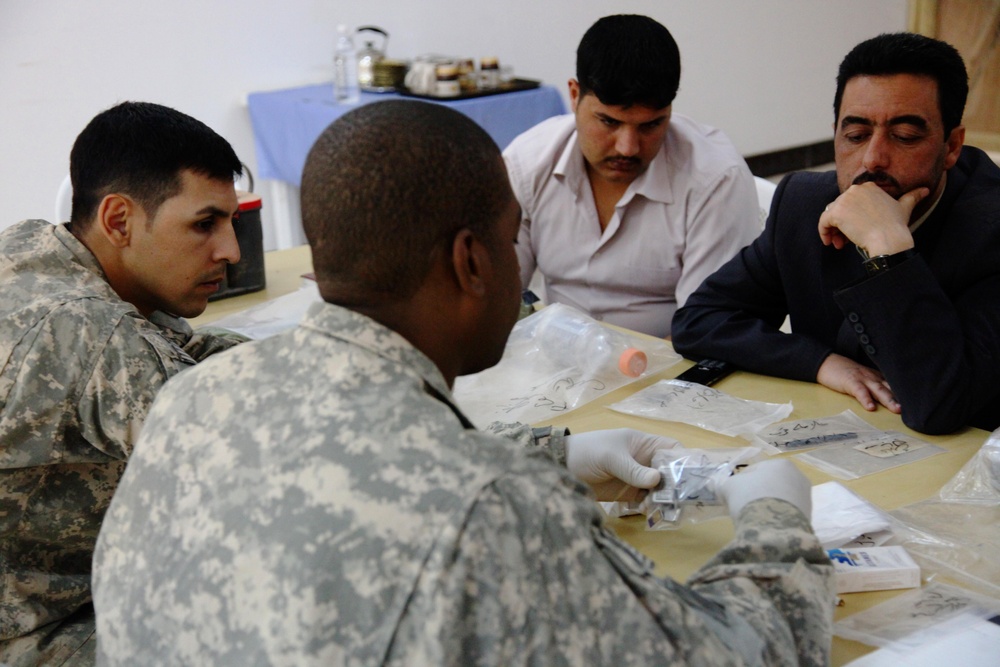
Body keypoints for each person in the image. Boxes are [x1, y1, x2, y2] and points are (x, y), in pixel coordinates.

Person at [92, 100, 832, 665]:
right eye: (513, 239)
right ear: (472, 260)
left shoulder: (192, 394)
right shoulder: (492, 509)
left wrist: (548, 453)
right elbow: (729, 652)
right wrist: (778, 521)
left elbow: (358, 453)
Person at [0, 101, 247, 665]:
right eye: (204, 225)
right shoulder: (90, 331)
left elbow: (179, 348)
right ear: (118, 221)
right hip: (42, 635)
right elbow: (251, 468)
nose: (230, 252)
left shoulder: (32, 248)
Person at [672, 32, 1000, 435]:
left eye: (905, 136)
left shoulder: (990, 230)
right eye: (856, 135)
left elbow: (940, 405)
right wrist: (821, 362)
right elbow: (699, 319)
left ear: (952, 146)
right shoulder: (804, 204)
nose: (873, 158)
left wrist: (889, 251)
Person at [503, 14, 759, 338]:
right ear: (573, 95)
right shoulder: (526, 165)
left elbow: (708, 331)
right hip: (555, 368)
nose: (627, 148)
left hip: (670, 372)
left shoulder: (715, 181)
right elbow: (499, 303)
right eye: (609, 122)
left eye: (651, 125)